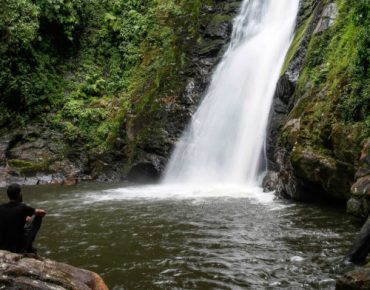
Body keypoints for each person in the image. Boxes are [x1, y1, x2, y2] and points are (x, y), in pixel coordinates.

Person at [0, 183, 46, 253]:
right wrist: (29, 216)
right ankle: (28, 247)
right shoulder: (23, 208)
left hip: (3, 246)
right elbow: (42, 212)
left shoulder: (1, 207)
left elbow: (11, 219)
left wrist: (24, 218)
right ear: (19, 194)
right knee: (37, 216)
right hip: (18, 247)